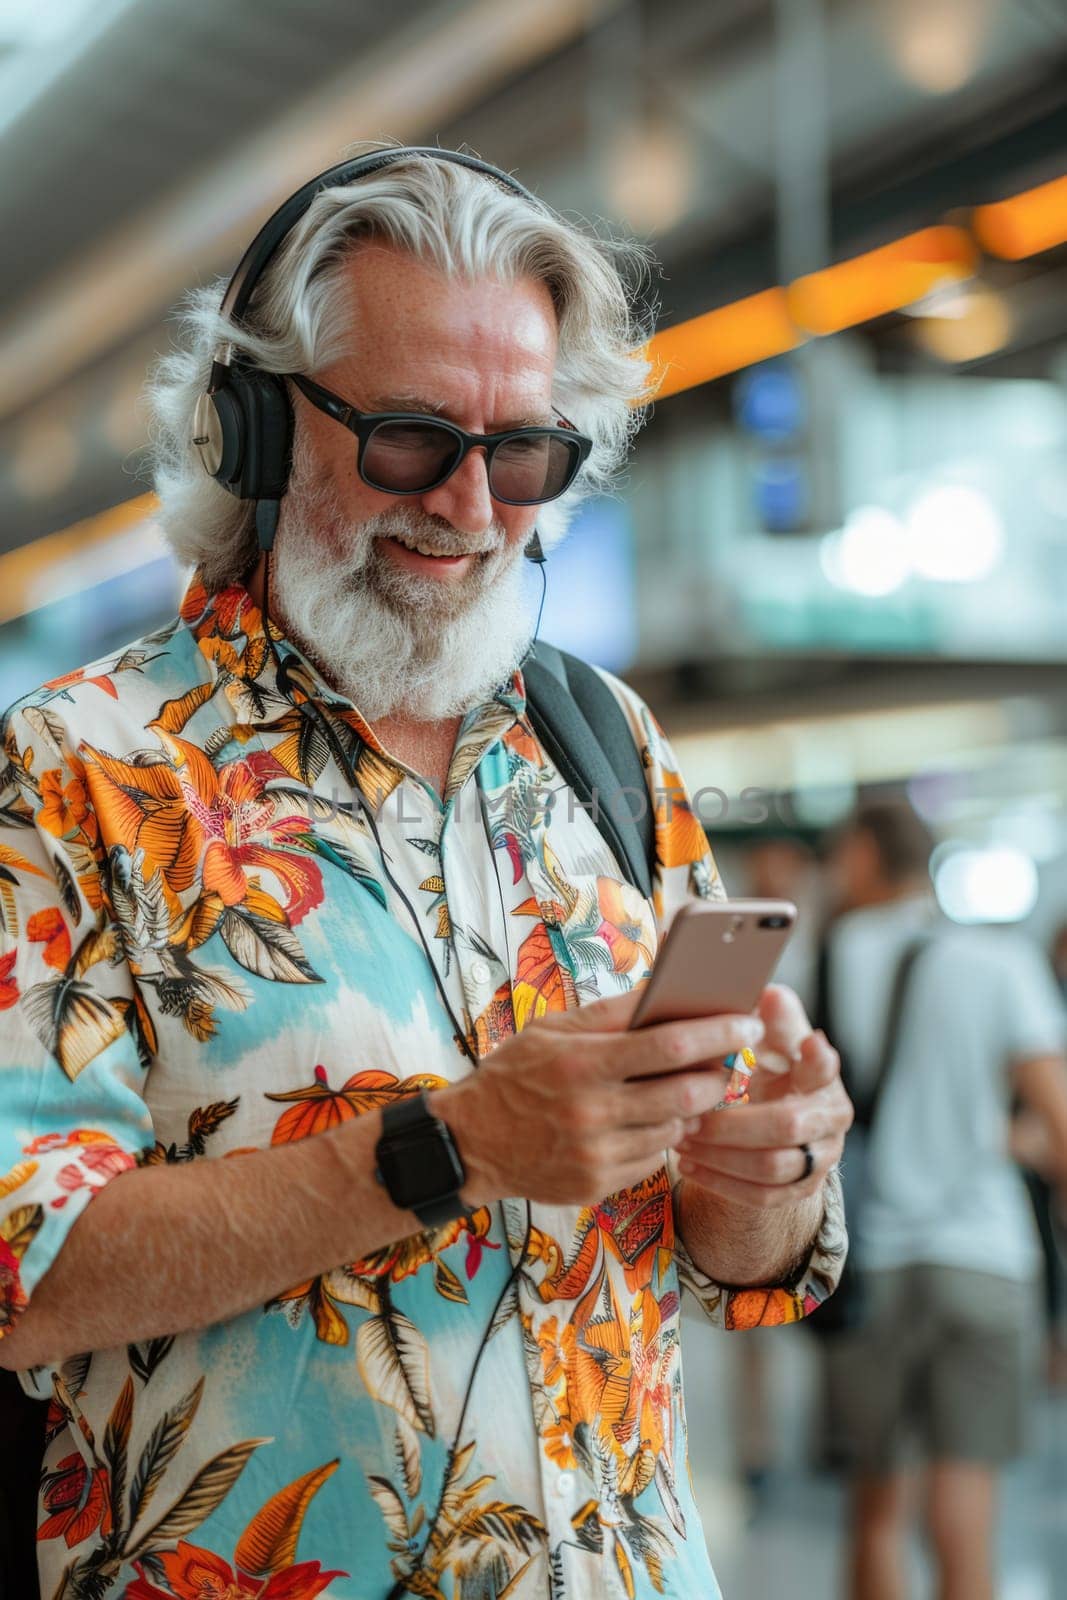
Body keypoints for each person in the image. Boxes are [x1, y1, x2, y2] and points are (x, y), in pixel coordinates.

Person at [0, 146, 850, 1600]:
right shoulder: (74, 768)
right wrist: (439, 1152)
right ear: (254, 428)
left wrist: (761, 1173)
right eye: (407, 438)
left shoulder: (607, 745)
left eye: (521, 451)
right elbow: (26, 1273)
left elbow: (722, 1258)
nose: (468, 508)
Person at [819, 801, 1067, 1600]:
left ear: (863, 858)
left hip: (872, 1261)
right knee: (967, 1503)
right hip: (987, 1258)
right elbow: (1058, 1124)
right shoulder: (1000, 961)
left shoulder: (834, 953)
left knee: (876, 1505)